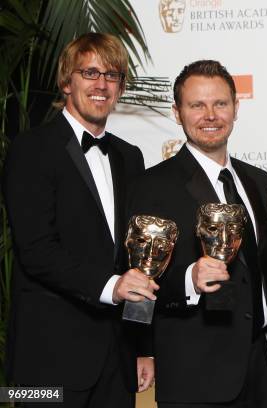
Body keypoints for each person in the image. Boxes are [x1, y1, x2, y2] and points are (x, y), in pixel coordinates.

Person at [3, 33, 154, 407]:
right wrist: (110, 286)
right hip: (46, 361)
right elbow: (36, 251)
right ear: (66, 81)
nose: (101, 84)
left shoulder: (129, 157)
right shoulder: (31, 149)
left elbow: (136, 261)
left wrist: (142, 347)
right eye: (89, 72)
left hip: (117, 361)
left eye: (112, 74)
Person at [127, 59, 267, 407]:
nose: (210, 115)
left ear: (236, 108)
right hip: (193, 372)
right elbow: (133, 280)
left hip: (258, 366)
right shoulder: (151, 186)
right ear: (177, 111)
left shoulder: (257, 181)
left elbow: (259, 263)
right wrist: (189, 279)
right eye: (197, 105)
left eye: (220, 104)